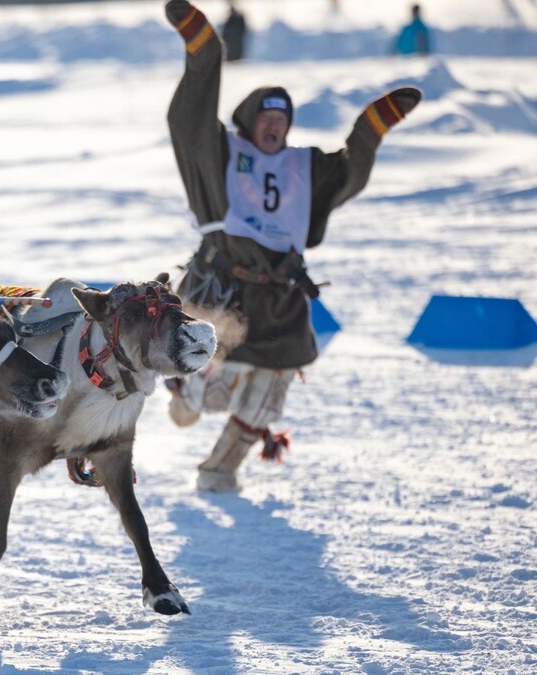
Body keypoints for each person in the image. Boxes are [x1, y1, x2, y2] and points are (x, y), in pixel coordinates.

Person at [161, 0, 421, 492]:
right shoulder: (222, 154)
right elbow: (189, 122)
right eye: (267, 115)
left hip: (280, 296)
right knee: (208, 390)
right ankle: (185, 396)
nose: (275, 123)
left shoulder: (304, 167)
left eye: (283, 116)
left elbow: (347, 171)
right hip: (222, 291)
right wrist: (206, 56)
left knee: (272, 386)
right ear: (252, 120)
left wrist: (370, 129)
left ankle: (220, 470)